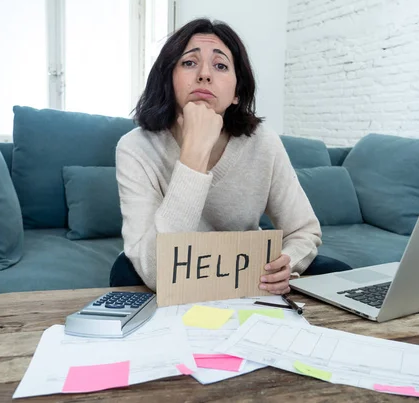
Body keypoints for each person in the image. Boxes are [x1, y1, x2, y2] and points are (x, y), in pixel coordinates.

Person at [111, 18, 322, 295]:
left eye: (220, 65)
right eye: (189, 63)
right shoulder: (134, 148)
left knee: (336, 269)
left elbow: (304, 230)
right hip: (174, 280)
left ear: (236, 93)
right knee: (123, 270)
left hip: (247, 276)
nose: (204, 74)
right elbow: (157, 272)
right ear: (168, 79)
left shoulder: (262, 142)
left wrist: (287, 264)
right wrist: (193, 154)